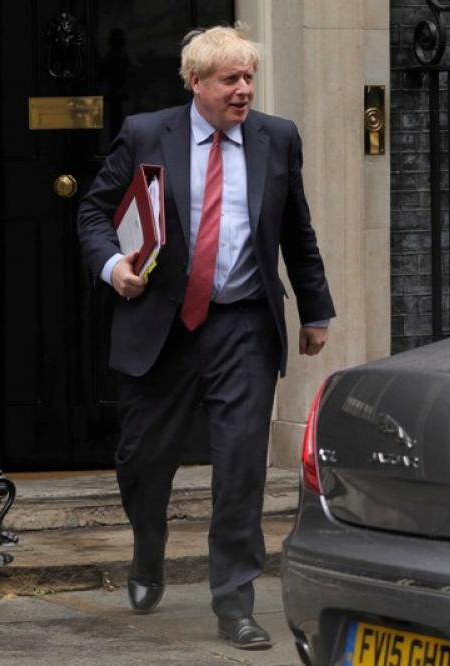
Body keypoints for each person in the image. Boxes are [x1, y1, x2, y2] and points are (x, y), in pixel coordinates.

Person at [76, 26, 334, 651]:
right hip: (160, 322)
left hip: (243, 321)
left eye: (249, 78)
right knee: (143, 459)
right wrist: (116, 269)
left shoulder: (277, 137)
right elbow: (94, 212)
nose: (244, 90)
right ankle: (148, 551)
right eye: (230, 80)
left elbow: (295, 229)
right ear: (197, 83)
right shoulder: (146, 134)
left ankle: (235, 603)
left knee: (241, 466)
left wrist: (315, 309)